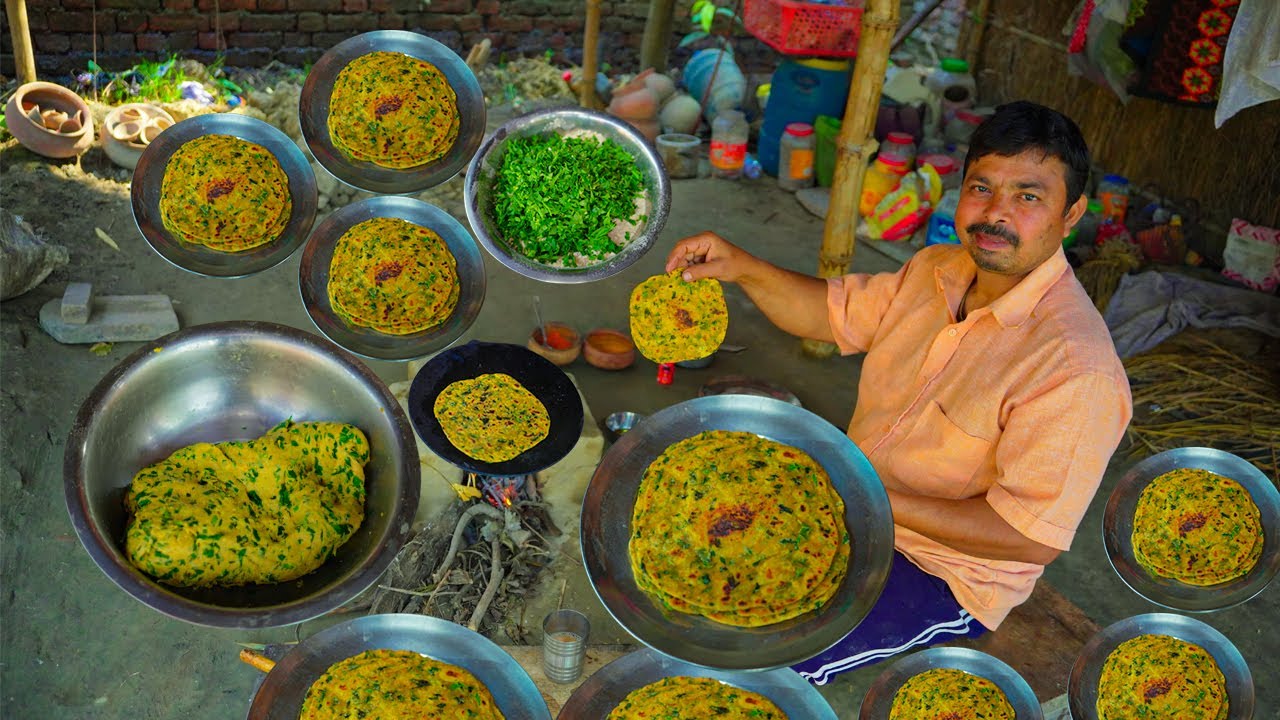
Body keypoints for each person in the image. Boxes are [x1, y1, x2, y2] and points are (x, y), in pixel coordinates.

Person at [664, 101, 1133, 685]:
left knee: (756, 669)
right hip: (849, 504)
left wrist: (862, 493)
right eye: (981, 188)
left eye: (1028, 196)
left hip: (939, 572)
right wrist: (740, 267)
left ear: (1072, 214)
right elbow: (828, 314)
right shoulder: (939, 267)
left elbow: (1027, 538)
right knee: (691, 554)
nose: (995, 214)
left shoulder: (1075, 370)